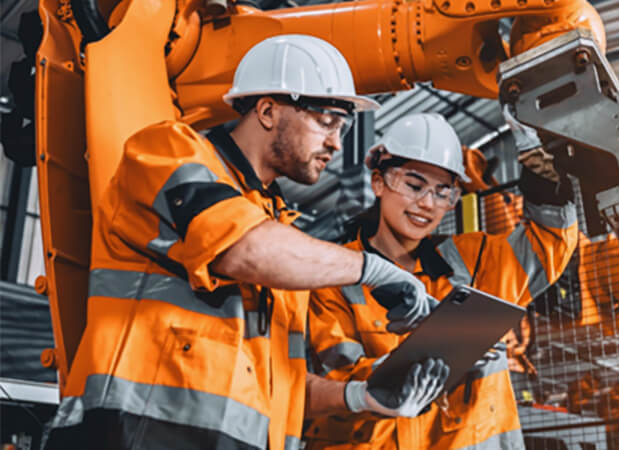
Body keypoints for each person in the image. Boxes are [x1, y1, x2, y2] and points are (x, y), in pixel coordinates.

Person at [42, 35, 449, 450]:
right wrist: (373, 268)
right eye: (326, 121)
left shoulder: (280, 237)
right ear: (268, 111)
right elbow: (244, 248)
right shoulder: (168, 152)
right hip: (134, 436)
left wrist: (361, 394)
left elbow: (282, 388)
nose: (336, 144)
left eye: (341, 128)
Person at [305, 111, 579, 449]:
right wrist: (400, 370)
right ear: (379, 183)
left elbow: (550, 241)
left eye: (442, 192)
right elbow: (339, 381)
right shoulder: (336, 276)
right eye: (414, 185)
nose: (426, 204)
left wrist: (538, 157)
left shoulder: (477, 261)